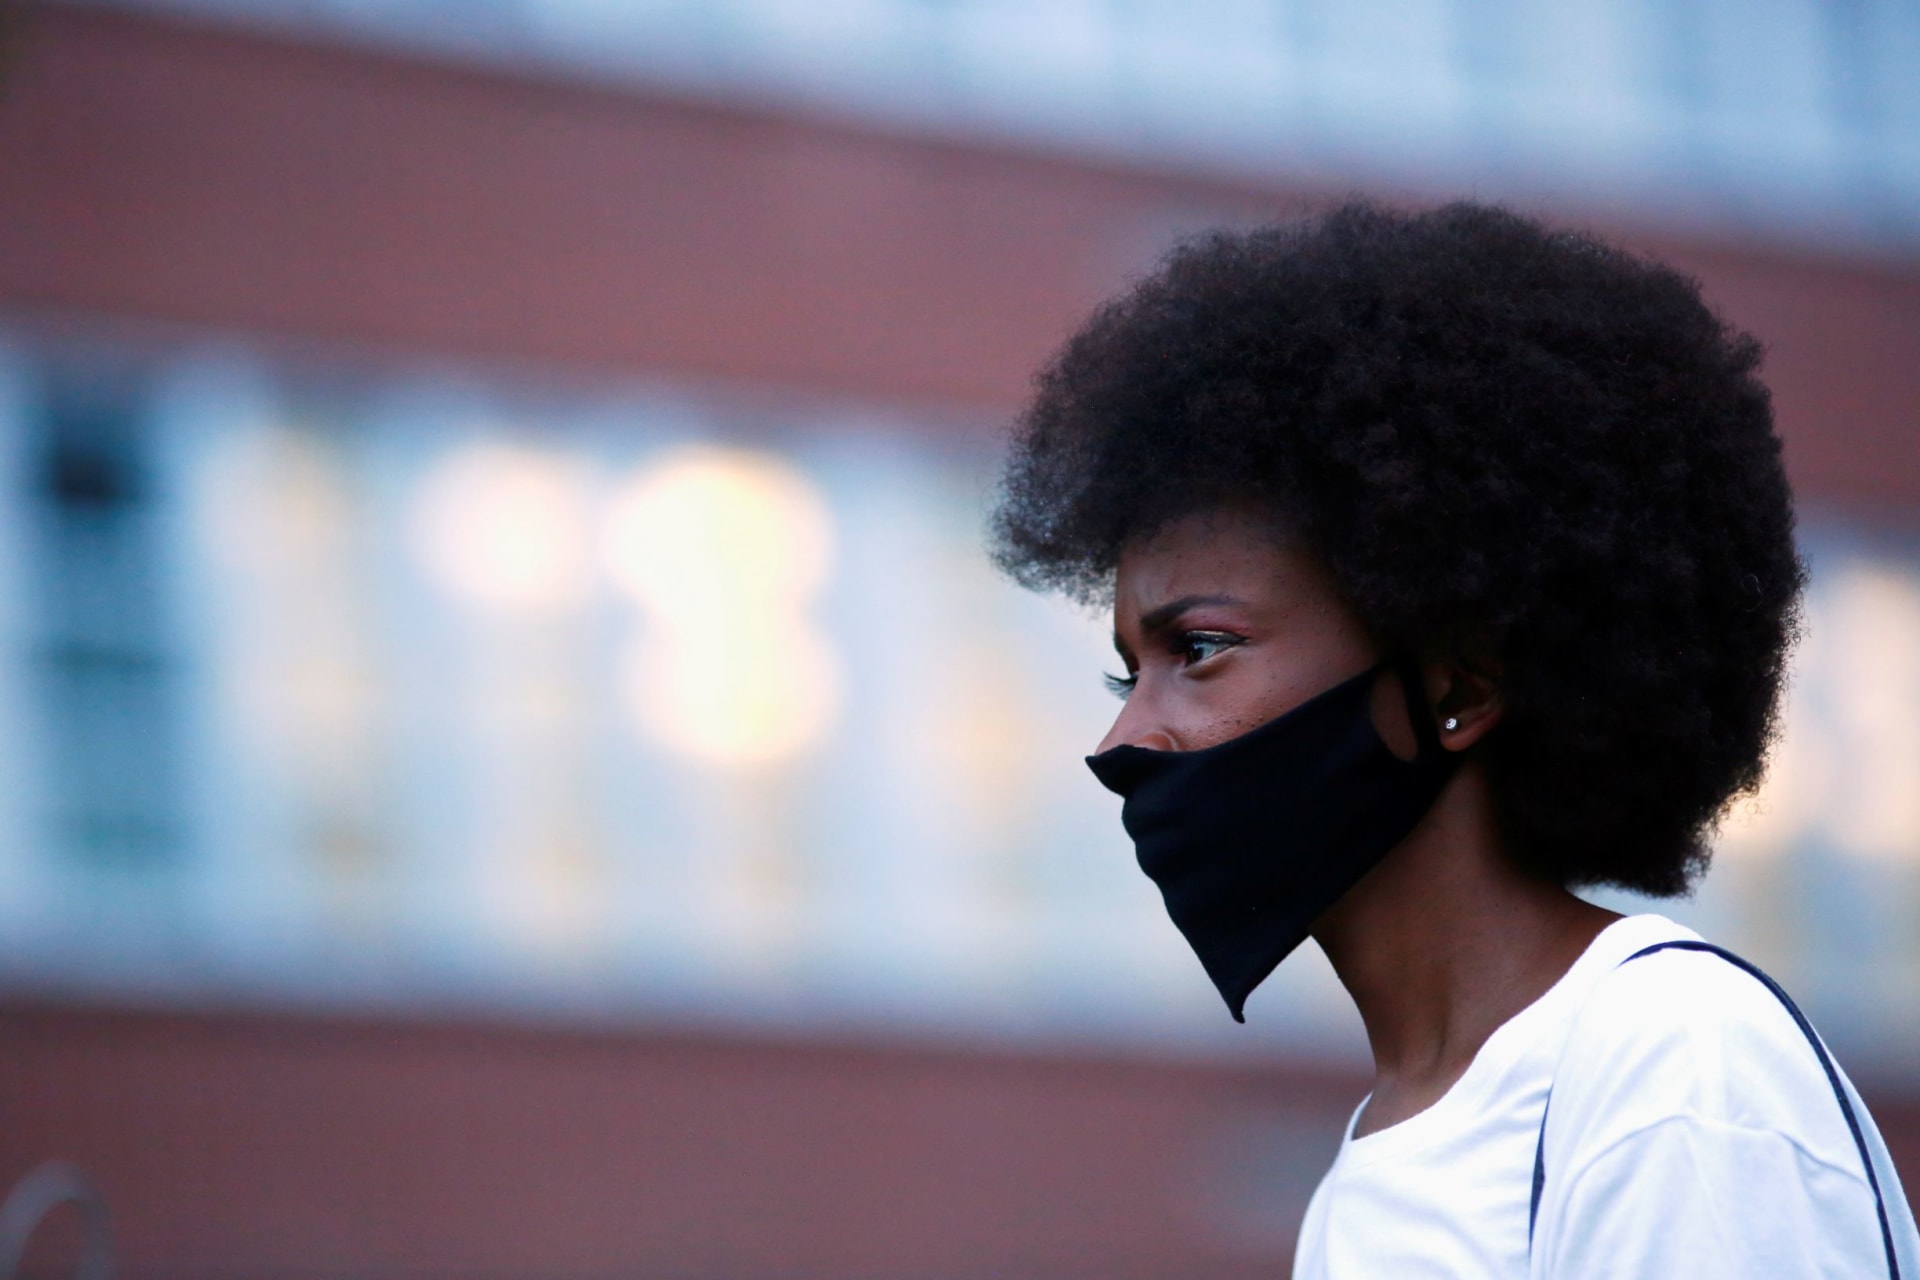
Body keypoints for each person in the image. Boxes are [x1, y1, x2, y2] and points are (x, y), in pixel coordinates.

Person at [991, 201, 1920, 1277]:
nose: (1125, 735)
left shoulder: (1673, 1069)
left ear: (1459, 684)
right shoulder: (1372, 1168)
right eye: (1126, 668)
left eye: (1199, 647)